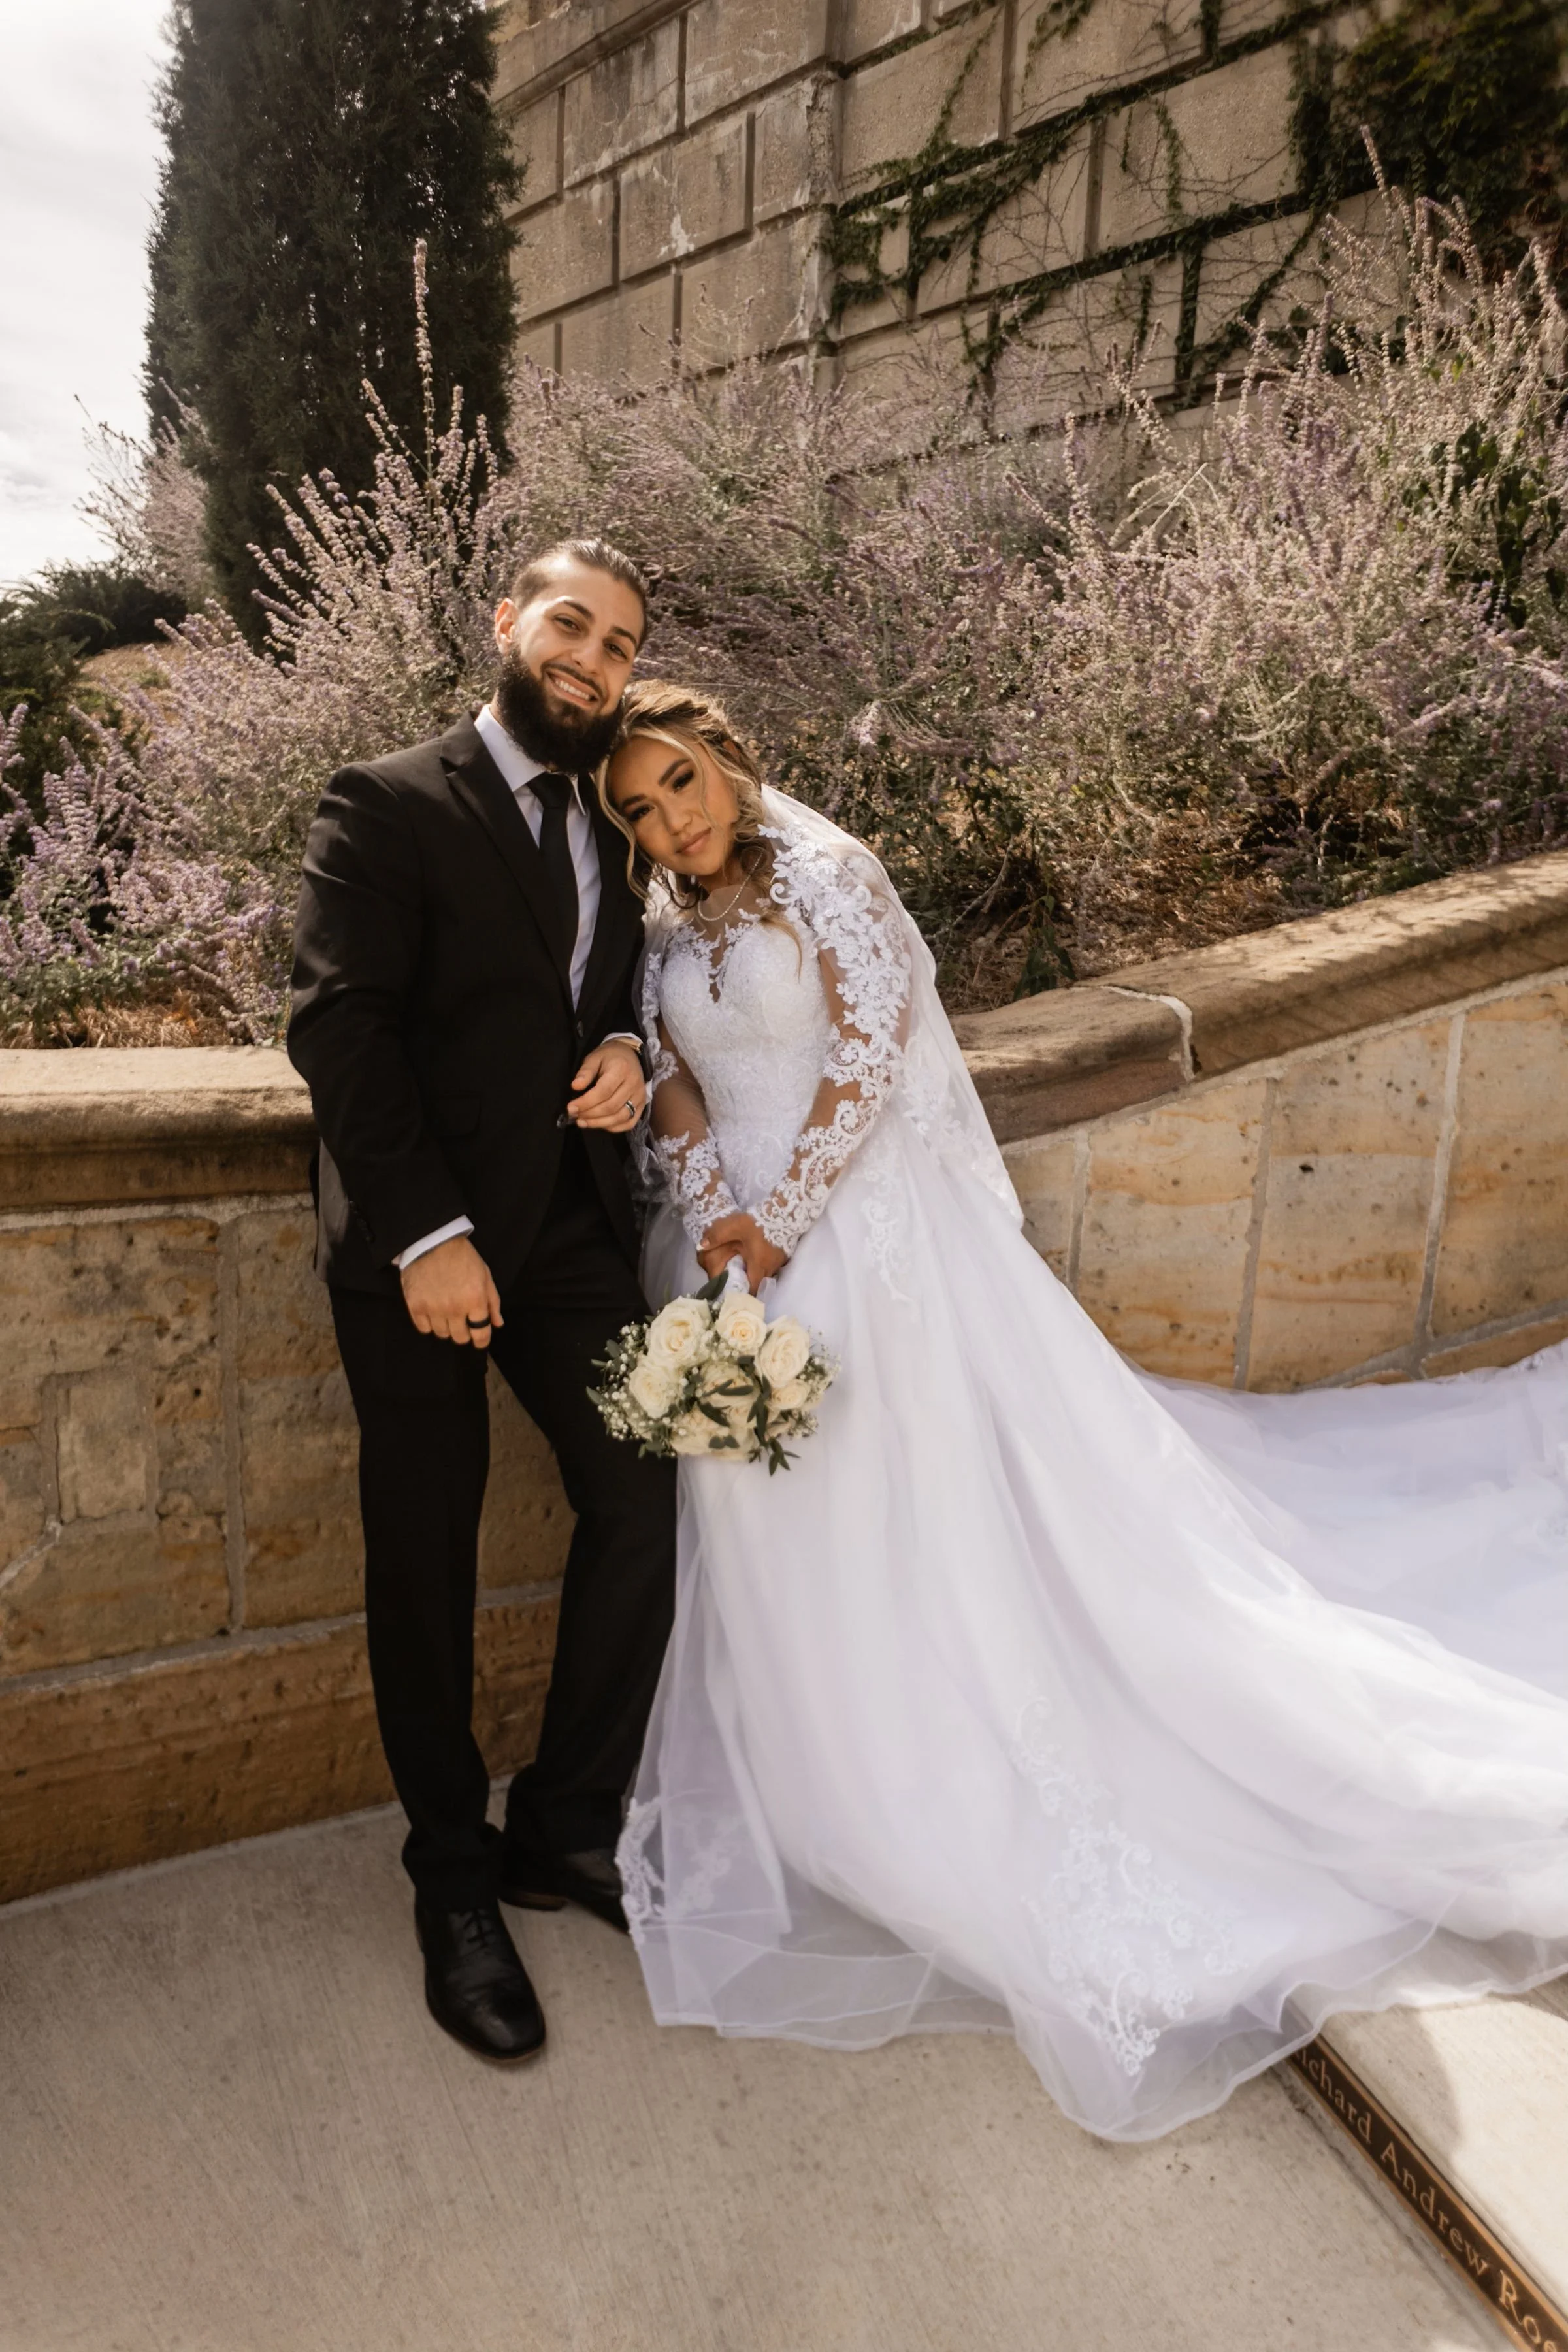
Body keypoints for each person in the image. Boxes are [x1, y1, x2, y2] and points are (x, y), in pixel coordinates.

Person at [597, 678, 1568, 2143]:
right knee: (766, 1504)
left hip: (863, 1241)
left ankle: (954, 1772)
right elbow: (674, 1080)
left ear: (727, 761)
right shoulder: (667, 927)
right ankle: (834, 1784)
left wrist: (783, 1220)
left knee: (906, 1497)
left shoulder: (830, 874)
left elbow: (866, 1058)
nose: (671, 817)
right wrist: (712, 1205)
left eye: (681, 781)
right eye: (638, 806)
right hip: (728, 1249)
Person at [287, 542, 675, 2065]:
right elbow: (340, 1029)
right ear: (508, 624)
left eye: (621, 643)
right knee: (426, 1555)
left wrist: (634, 1049)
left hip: (566, 1237)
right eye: (571, 623)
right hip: (421, 1248)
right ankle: (451, 1882)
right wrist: (429, 1234)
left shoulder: (611, 814)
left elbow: (610, 992)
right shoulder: (385, 800)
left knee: (645, 1491)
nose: (592, 657)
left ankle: (562, 1828)